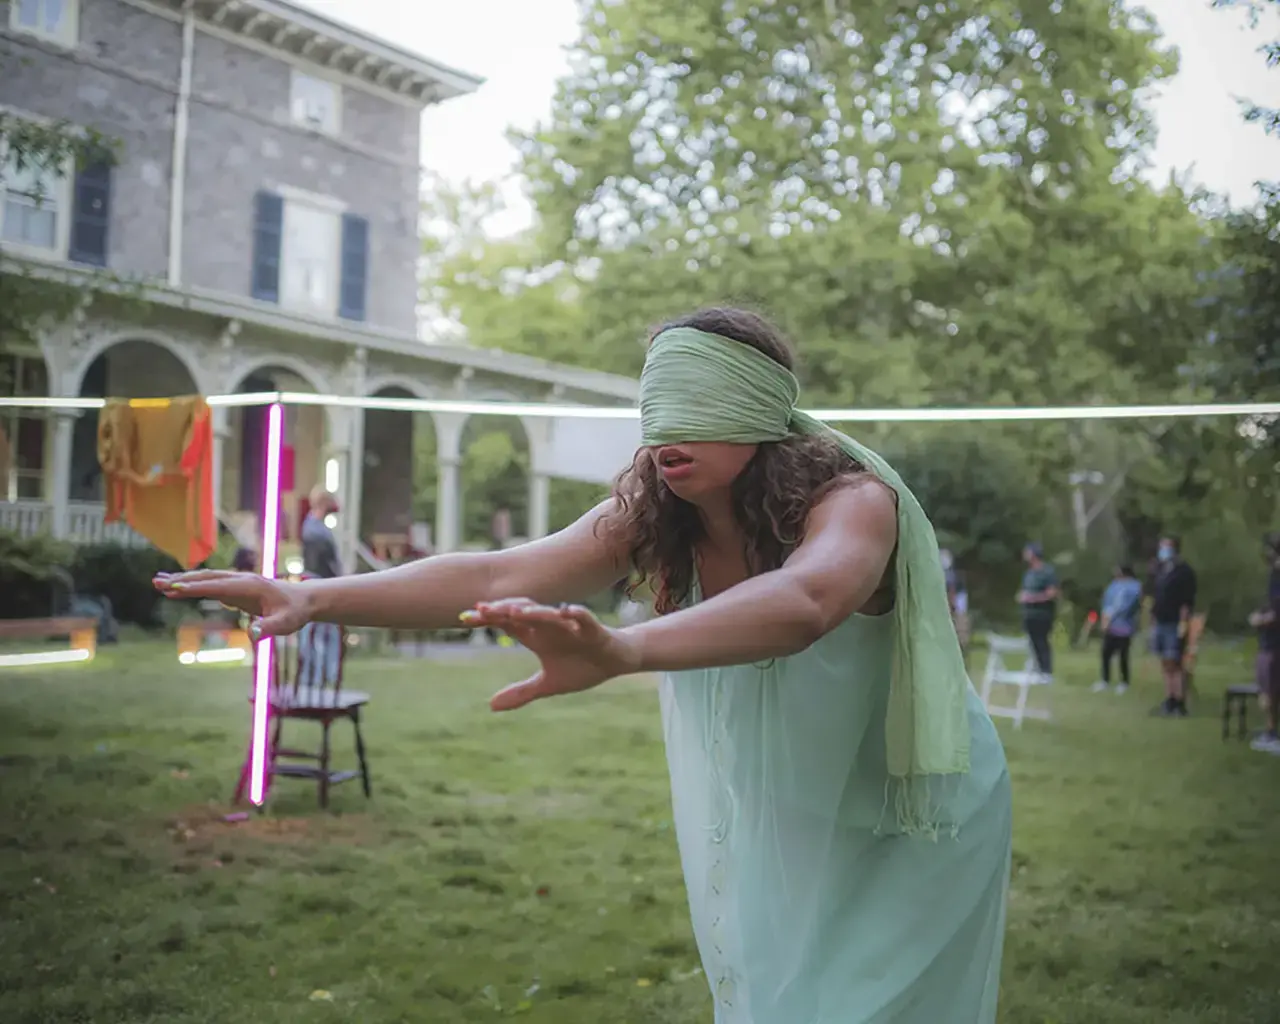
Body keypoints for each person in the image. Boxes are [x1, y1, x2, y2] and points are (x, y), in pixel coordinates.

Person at [154, 308, 1012, 1024]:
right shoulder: (652, 515)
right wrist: (314, 598)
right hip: (788, 816)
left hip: (912, 825)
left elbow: (806, 603)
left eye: (695, 401)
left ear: (760, 407)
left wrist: (624, 649)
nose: (667, 429)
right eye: (656, 406)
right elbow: (497, 573)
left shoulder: (855, 504)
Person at [298, 487, 344, 685]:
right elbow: (328, 561)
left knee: (314, 634)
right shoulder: (317, 531)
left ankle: (313, 675)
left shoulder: (311, 527)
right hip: (321, 583)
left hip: (314, 582)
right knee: (325, 633)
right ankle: (321, 675)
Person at [1150, 535, 1196, 717]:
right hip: (1160, 620)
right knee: (1165, 662)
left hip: (1174, 621)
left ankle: (1179, 700)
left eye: (1166, 546)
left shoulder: (1183, 571)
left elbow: (1187, 599)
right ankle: (1169, 697)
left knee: (1175, 661)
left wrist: (1183, 623)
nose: (1163, 549)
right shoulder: (1161, 570)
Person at [1248, 533, 1280, 754]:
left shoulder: (1277, 575)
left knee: (1270, 689)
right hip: (1271, 640)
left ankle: (1272, 735)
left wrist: (1260, 619)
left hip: (1274, 641)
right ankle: (1271, 731)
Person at [1092, 565, 1142, 694]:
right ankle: (1105, 680)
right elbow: (1106, 602)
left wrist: (1111, 615)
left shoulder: (1134, 586)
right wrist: (1105, 617)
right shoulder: (1114, 585)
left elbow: (1127, 606)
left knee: (1123, 654)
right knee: (1106, 653)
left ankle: (1124, 682)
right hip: (1110, 625)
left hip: (1124, 625)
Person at [1017, 542, 1058, 678]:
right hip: (1029, 614)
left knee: (1042, 641)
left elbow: (1052, 593)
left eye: (1027, 552)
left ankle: (1046, 671)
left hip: (1042, 614)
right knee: (1031, 642)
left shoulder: (1047, 572)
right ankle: (1036, 668)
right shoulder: (1028, 574)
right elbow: (1025, 590)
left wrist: (1033, 598)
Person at [940, 547, 970, 659]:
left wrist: (953, 605)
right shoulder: (942, 573)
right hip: (951, 600)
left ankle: (961, 645)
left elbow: (953, 591)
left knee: (960, 624)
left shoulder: (952, 576)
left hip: (957, 601)